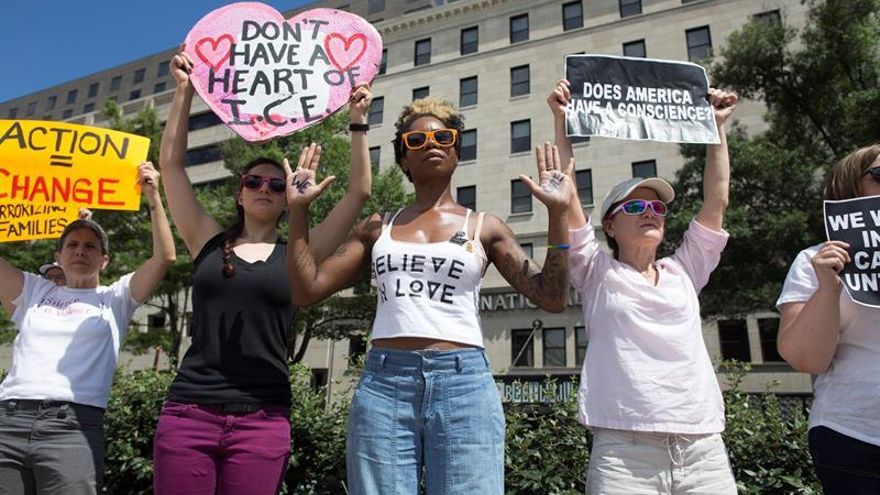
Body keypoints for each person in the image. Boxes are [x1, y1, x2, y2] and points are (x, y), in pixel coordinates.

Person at [284, 96, 572, 494]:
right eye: (416, 140)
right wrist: (297, 212)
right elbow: (306, 290)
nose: (432, 143)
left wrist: (558, 215)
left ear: (456, 150)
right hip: (385, 385)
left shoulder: (485, 227)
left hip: (464, 383)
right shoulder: (376, 228)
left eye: (443, 136)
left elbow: (552, 297)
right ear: (403, 159)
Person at [152, 50, 373, 495]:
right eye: (254, 181)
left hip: (264, 418)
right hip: (189, 414)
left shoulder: (299, 252)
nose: (265, 189)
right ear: (239, 193)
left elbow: (358, 193)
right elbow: (172, 167)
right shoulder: (208, 241)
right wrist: (183, 93)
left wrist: (357, 121)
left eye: (277, 184)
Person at [549, 79, 739, 494]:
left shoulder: (685, 270)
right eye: (635, 206)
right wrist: (562, 121)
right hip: (624, 453)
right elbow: (568, 193)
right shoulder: (597, 271)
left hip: (703, 447)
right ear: (611, 225)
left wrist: (717, 128)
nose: (650, 212)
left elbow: (717, 201)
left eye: (657, 207)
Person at [0, 163, 175, 495]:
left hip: (72, 428)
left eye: (90, 246)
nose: (80, 250)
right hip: (8, 421)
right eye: (72, 245)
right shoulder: (34, 291)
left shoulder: (116, 299)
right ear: (59, 255)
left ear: (104, 261)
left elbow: (164, 257)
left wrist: (153, 196)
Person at [776, 144, 880, 494]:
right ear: (850, 189)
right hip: (857, 441)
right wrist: (827, 290)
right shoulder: (814, 262)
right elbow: (806, 359)